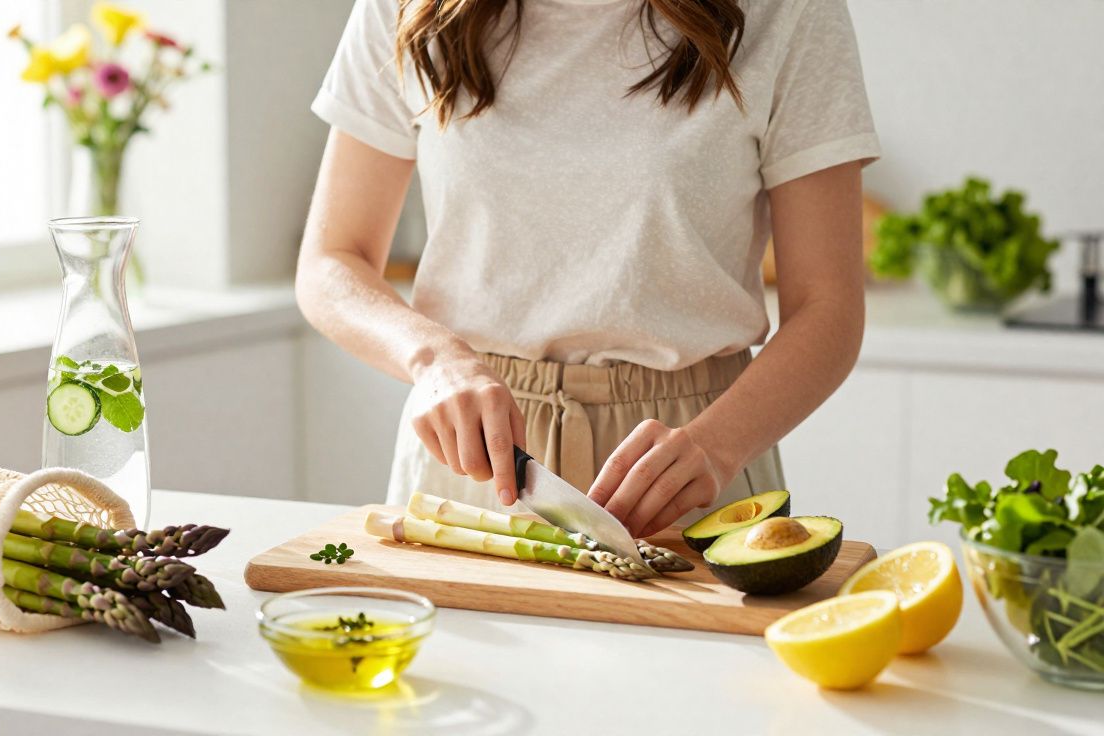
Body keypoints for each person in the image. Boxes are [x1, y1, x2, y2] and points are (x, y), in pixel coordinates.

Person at [296, 0, 878, 538]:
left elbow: (828, 307)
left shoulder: (788, 10)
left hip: (690, 467)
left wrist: (718, 447)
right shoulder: (405, 7)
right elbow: (331, 259)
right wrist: (433, 359)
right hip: (471, 459)